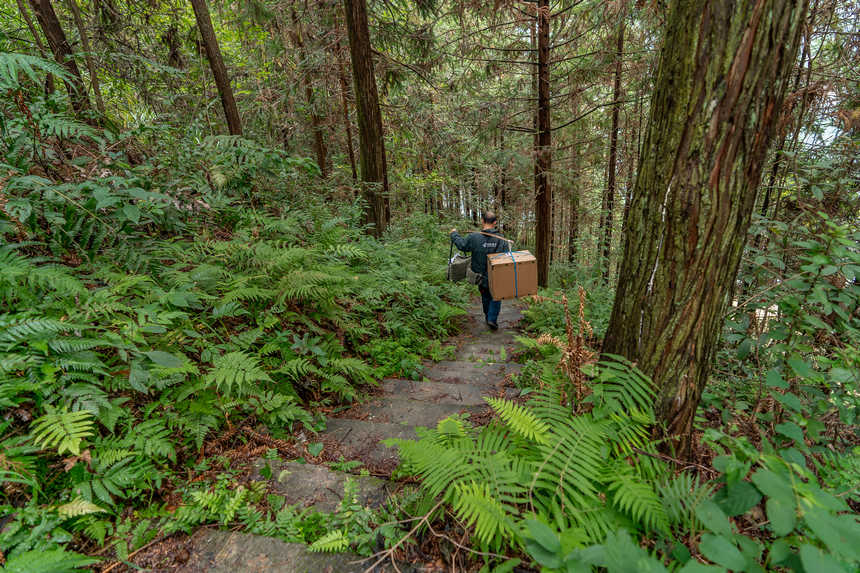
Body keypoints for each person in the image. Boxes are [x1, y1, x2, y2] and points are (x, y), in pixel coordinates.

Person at [450, 211, 510, 330]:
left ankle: (489, 316)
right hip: (496, 275)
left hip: (480, 275)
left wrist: (454, 234)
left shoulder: (474, 237)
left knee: (485, 294)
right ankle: (492, 319)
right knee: (496, 296)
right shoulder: (501, 239)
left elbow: (462, 245)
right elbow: (506, 257)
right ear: (495, 223)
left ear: (482, 221)